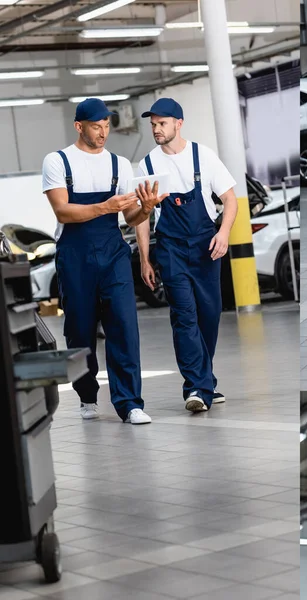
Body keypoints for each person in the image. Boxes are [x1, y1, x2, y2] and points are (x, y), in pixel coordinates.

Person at [42, 98, 162, 424]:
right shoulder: (58, 162)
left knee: (124, 326)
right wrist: (104, 207)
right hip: (75, 254)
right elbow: (62, 211)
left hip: (113, 252)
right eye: (97, 126)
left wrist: (147, 208)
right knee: (79, 331)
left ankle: (130, 403)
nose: (103, 132)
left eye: (107, 125)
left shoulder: (120, 164)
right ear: (79, 126)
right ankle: (86, 394)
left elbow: (131, 214)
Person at [134, 98, 238, 413]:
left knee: (210, 314)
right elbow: (142, 216)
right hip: (171, 247)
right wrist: (144, 257)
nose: (156, 129)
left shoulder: (202, 156)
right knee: (184, 316)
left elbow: (230, 200)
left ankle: (203, 381)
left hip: (207, 244)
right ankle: (196, 388)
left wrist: (223, 233)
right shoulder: (147, 165)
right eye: (152, 124)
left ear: (178, 123)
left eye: (161, 123)